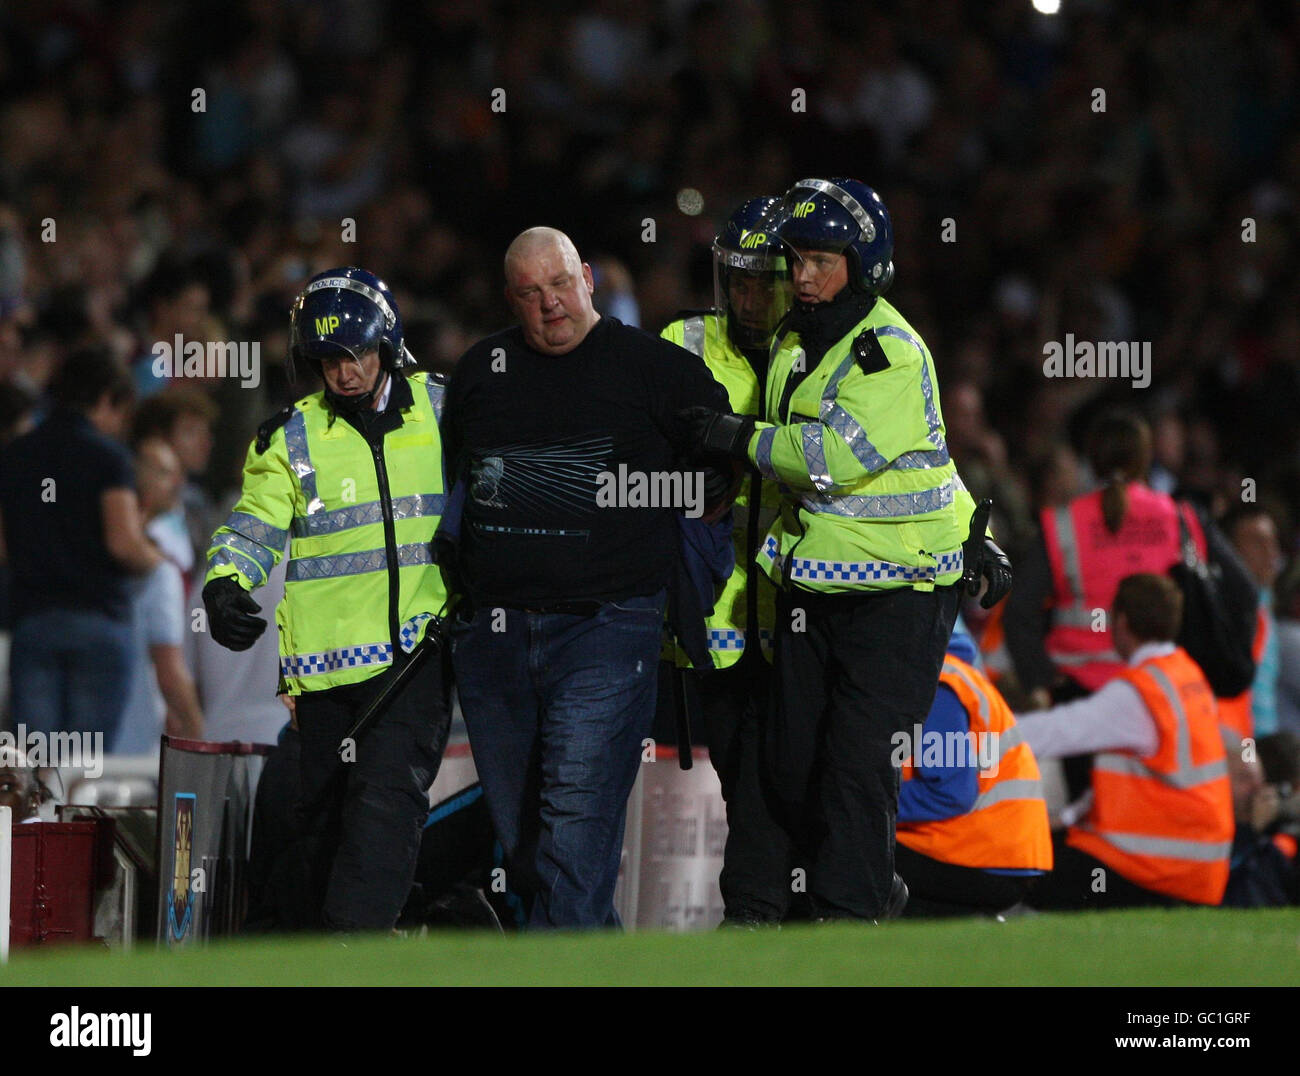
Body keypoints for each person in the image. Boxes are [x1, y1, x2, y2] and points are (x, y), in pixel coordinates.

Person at [677, 177, 1011, 921]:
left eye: (821, 261)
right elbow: (929, 456)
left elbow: (833, 458)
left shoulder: (888, 349)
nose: (800, 277)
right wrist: (975, 526)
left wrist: (735, 436)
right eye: (795, 260)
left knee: (860, 769)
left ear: (865, 266)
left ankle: (847, 924)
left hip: (902, 595)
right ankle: (866, 891)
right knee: (791, 768)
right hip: (813, 589)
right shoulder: (800, 339)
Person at [441, 227, 730, 929]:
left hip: (607, 628)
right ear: (511, 299)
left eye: (562, 284)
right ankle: (593, 961)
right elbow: (450, 487)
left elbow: (721, 480)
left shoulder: (658, 370)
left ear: (590, 280)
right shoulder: (480, 372)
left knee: (573, 828)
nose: (551, 305)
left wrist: (651, 505)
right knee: (528, 840)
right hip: (496, 638)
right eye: (531, 293)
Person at [202, 267, 452, 932]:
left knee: (385, 807)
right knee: (323, 824)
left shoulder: (444, 408)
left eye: (359, 354)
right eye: (329, 360)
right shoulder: (289, 437)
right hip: (322, 674)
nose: (344, 373)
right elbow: (255, 523)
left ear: (389, 344)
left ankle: (350, 960)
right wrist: (226, 579)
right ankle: (299, 953)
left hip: (415, 657)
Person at [658, 197, 795, 926]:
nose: (747, 298)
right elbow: (632, 460)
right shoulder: (681, 341)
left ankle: (790, 907)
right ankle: (755, 916)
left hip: (796, 603)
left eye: (763, 282)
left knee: (797, 775)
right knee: (746, 778)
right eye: (736, 281)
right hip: (710, 610)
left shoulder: (819, 351)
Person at [1019, 573, 1234, 909]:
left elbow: (1052, 732)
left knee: (1021, 871)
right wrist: (1073, 816)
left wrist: (970, 735)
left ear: (1120, 621)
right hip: (1195, 867)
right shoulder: (1186, 676)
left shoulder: (1139, 694)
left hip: (1151, 868)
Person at [0, 347, 162, 744]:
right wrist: (155, 558)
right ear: (108, 399)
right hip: (98, 623)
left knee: (38, 769)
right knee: (83, 771)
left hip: (33, 623)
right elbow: (123, 544)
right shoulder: (109, 459)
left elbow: (2, 548)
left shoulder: (15, 455)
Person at [895, 626, 1052, 917]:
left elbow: (950, 794)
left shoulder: (937, 683)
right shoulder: (951, 675)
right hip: (997, 852)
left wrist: (864, 804)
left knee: (846, 851)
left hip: (975, 852)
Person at [113, 437, 204, 753]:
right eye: (165, 472)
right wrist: (200, 738)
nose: (178, 482)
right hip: (135, 749)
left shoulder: (87, 562)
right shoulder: (159, 572)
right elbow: (170, 672)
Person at [1219, 503, 1284, 739]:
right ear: (1230, 550)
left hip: (1263, 743)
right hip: (1237, 745)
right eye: (1257, 542)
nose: (1271, 552)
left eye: (1272, 541)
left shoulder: (1264, 605)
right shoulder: (1225, 612)